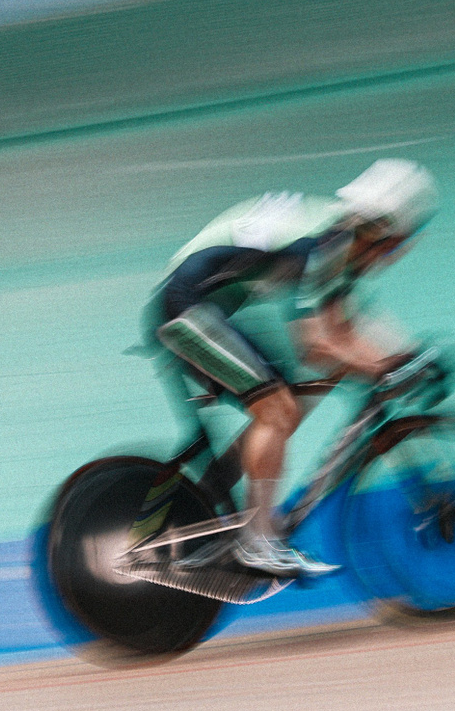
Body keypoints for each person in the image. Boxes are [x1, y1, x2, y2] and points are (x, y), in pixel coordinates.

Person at [150, 159, 440, 577]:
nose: (393, 256)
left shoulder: (341, 239)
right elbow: (316, 345)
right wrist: (384, 370)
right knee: (279, 407)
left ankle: (227, 493)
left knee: (297, 392)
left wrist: (406, 359)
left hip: (210, 306)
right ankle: (258, 542)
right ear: (380, 230)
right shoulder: (324, 243)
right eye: (395, 245)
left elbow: (344, 329)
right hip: (184, 306)